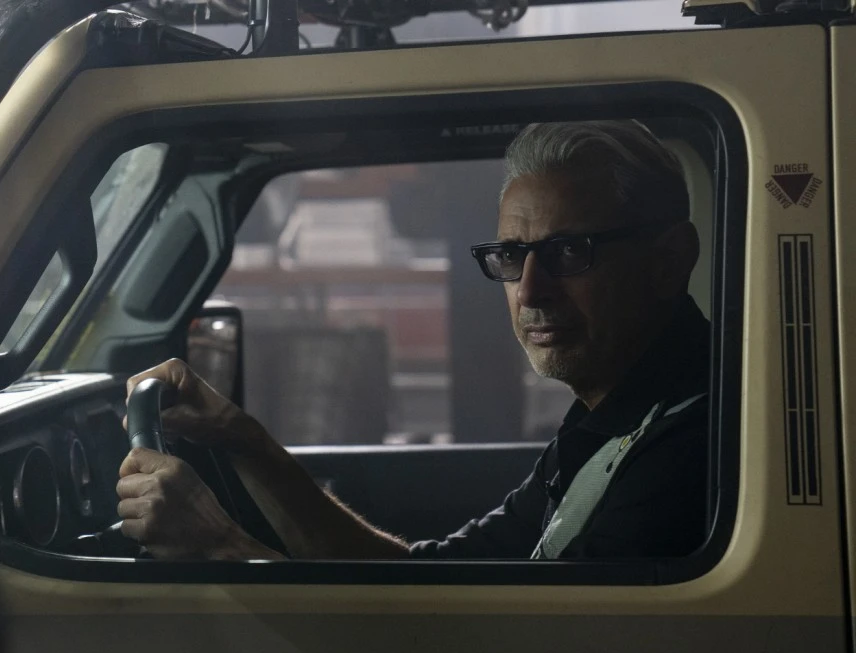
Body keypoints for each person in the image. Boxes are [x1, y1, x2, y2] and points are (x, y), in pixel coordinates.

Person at [114, 120, 710, 561]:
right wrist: (242, 438)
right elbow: (429, 584)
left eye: (569, 251)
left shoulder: (691, 450)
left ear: (668, 262)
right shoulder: (607, 424)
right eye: (512, 256)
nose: (530, 290)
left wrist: (217, 544)